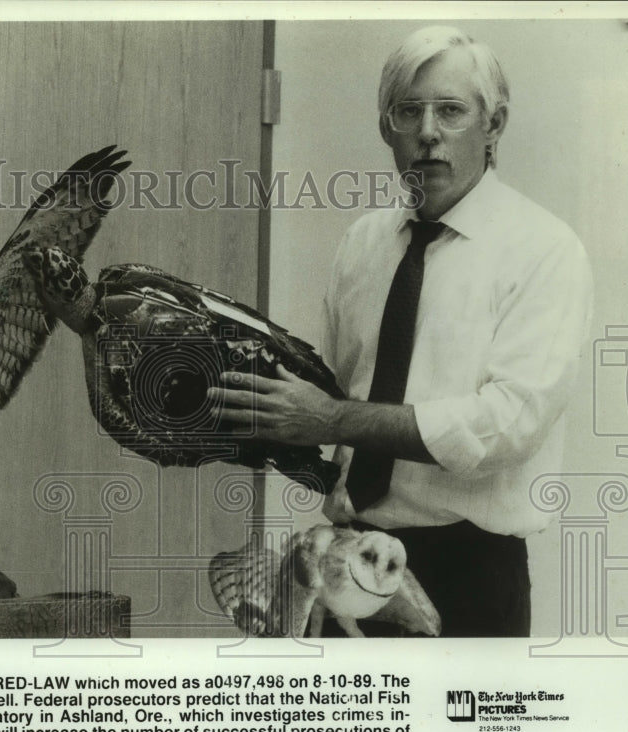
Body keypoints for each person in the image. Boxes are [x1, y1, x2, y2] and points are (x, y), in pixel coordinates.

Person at [210, 25, 592, 637]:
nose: (428, 132)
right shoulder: (363, 243)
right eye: (408, 111)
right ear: (386, 126)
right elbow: (328, 395)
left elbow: (508, 425)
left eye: (451, 110)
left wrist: (332, 419)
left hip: (470, 577)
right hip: (344, 562)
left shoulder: (544, 250)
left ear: (494, 126)